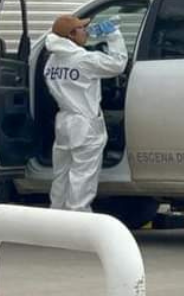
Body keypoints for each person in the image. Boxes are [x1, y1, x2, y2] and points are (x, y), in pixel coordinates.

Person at [44, 14, 128, 212]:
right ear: (72, 35)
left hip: (64, 123)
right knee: (83, 178)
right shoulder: (83, 60)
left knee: (61, 178)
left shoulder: (51, 62)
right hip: (84, 124)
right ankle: (78, 223)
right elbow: (118, 64)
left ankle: (55, 221)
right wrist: (113, 35)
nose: (86, 31)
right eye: (82, 28)